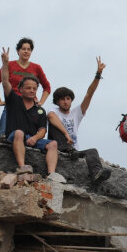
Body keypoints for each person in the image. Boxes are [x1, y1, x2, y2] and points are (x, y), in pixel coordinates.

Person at [47, 57, 111, 185]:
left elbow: (89, 93)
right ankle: (68, 149)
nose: (65, 102)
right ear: (57, 101)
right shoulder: (53, 111)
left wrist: (98, 74)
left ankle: (97, 174)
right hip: (59, 147)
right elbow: (51, 118)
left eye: (68, 98)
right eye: (62, 99)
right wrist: (66, 134)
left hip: (73, 151)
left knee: (92, 151)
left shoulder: (77, 112)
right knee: (56, 126)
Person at [0, 47, 59, 179]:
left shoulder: (40, 110)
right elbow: (4, 82)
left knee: (53, 144)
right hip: (15, 136)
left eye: (34, 88)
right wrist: (5, 64)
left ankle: (51, 175)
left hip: (32, 138)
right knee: (19, 133)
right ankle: (23, 168)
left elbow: (43, 130)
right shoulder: (14, 100)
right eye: (28, 88)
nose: (32, 91)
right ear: (20, 89)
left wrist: (35, 138)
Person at [0, 37, 51, 137]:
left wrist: (40, 102)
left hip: (30, 105)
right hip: (13, 102)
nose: (26, 51)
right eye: (23, 49)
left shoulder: (36, 67)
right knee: (2, 134)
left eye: (29, 49)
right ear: (18, 51)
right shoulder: (9, 65)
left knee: (28, 135)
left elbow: (47, 87)